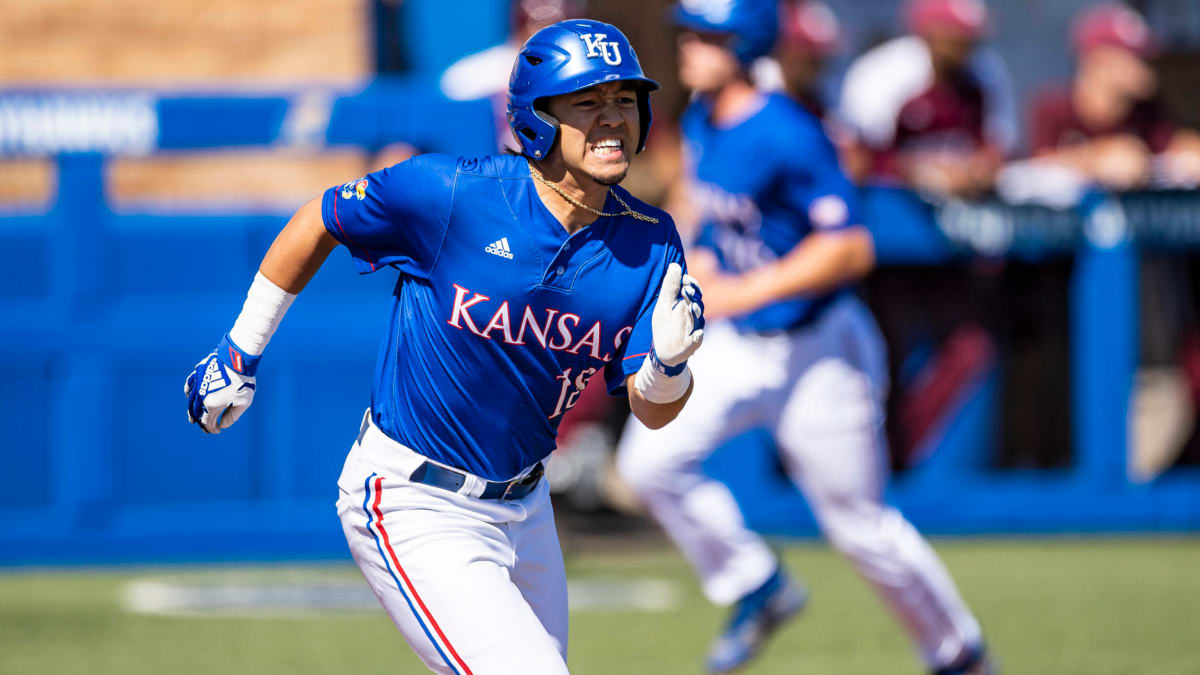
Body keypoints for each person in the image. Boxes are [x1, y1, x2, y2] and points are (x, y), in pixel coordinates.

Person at [184, 19, 704, 674]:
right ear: (538, 118)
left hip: (527, 508)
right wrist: (239, 351)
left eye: (625, 99)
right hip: (414, 499)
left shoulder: (650, 241)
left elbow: (651, 408)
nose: (613, 118)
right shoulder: (454, 193)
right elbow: (322, 218)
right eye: (588, 101)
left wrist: (669, 366)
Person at [616, 2, 991, 673]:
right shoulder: (703, 115)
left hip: (817, 349)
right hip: (735, 343)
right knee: (649, 465)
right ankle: (757, 584)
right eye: (688, 33)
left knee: (860, 526)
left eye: (709, 36)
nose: (690, 47)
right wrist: (692, 258)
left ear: (748, 42)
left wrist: (738, 290)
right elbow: (708, 209)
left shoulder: (790, 130)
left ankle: (959, 654)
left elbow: (849, 248)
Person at [837, 0, 1015, 198]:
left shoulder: (986, 72)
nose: (966, 46)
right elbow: (862, 159)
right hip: (894, 203)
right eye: (957, 36)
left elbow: (996, 147)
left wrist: (979, 170)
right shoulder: (883, 74)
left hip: (965, 207)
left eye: (972, 38)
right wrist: (928, 173)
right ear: (928, 33)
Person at [1029, 3, 1200, 190]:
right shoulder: (1051, 108)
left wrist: (1191, 153)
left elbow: (1177, 145)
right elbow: (1029, 170)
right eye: (1135, 57)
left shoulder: (1146, 110)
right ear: (1100, 61)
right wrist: (1096, 160)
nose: (1148, 66)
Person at [440, 0, 583, 149]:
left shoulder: (584, 72)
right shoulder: (472, 75)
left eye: (554, 28)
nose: (541, 31)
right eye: (535, 24)